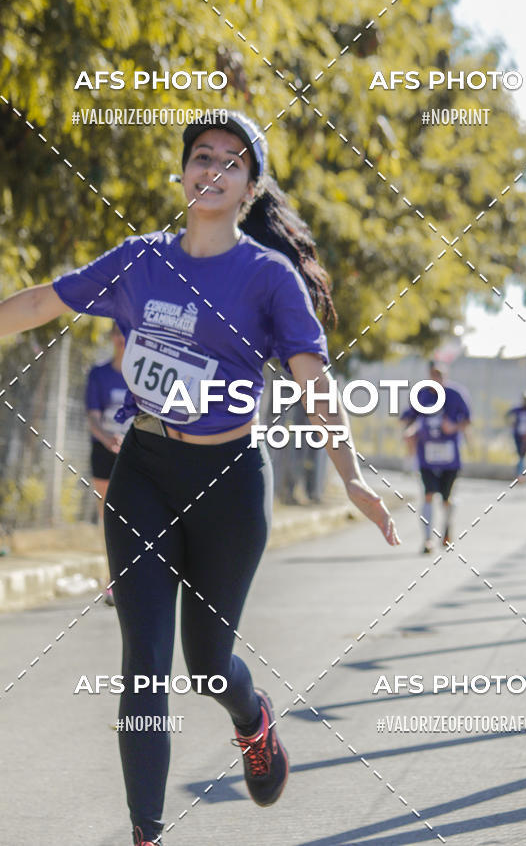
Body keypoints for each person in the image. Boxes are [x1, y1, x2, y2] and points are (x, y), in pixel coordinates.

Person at [0, 111, 400, 846]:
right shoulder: (139, 260)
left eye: (232, 161)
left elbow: (315, 383)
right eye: (202, 155)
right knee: (144, 664)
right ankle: (147, 834)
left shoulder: (266, 278)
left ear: (250, 187)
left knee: (209, 667)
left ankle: (253, 723)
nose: (213, 167)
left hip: (229, 480)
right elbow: (36, 304)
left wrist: (351, 475)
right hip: (144, 469)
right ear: (183, 172)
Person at [85, 322, 132, 605]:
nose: (119, 338)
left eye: (124, 333)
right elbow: (92, 416)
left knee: (135, 517)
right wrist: (106, 438)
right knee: (109, 519)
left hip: (137, 454)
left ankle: (131, 577)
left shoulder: (139, 376)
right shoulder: (99, 375)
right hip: (105, 453)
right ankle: (111, 580)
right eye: (115, 332)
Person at [402, 366, 470, 553]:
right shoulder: (422, 395)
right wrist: (409, 432)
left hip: (450, 458)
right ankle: (427, 540)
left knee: (446, 500)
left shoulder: (456, 395)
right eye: (433, 376)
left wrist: (454, 427)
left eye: (439, 377)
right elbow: (410, 418)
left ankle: (447, 528)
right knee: (428, 495)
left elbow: (467, 420)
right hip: (427, 457)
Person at [506, 389, 526, 478]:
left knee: (524, 454)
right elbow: (507, 415)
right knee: (520, 454)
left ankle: (521, 473)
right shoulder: (517, 409)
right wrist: (512, 424)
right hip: (518, 435)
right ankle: (520, 473)